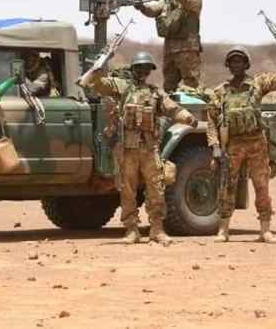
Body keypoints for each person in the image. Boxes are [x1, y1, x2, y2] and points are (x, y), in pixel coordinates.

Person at [84, 52, 197, 245]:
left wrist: (187, 117)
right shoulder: (122, 87)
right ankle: (131, 229)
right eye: (140, 67)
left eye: (146, 68)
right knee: (127, 190)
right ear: (133, 69)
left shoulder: (155, 92)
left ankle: (157, 229)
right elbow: (97, 85)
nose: (143, 71)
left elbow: (172, 108)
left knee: (156, 188)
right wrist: (97, 69)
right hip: (128, 149)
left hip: (150, 148)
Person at [207, 46, 276, 243]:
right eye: (233, 61)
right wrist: (215, 147)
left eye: (240, 61)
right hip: (233, 145)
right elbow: (212, 121)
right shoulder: (220, 91)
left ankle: (265, 230)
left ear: (246, 64)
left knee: (261, 186)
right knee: (227, 187)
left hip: (256, 143)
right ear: (228, 65)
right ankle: (223, 230)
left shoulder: (258, 84)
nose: (236, 65)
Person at [134, 0, 203, 93]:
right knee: (169, 87)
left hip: (187, 50)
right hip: (170, 50)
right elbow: (153, 10)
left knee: (191, 87)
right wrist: (141, 6)